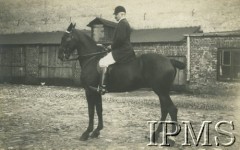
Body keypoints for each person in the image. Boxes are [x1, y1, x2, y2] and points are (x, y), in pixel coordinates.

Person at [97, 6, 136, 95]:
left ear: (122, 14)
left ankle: (102, 87)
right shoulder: (124, 23)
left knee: (102, 62)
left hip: (122, 51)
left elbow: (120, 39)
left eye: (116, 15)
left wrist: (111, 46)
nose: (115, 17)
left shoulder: (122, 23)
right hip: (124, 50)